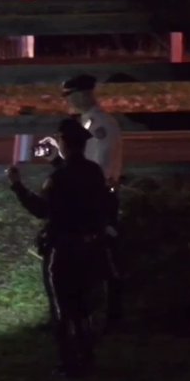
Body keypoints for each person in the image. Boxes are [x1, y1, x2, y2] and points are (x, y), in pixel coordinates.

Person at [9, 117, 115, 378]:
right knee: (85, 305)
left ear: (65, 143)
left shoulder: (59, 178)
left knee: (64, 309)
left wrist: (17, 185)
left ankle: (69, 363)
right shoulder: (93, 171)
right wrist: (55, 161)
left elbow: (41, 209)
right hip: (91, 247)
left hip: (64, 249)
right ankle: (87, 358)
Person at [39, 74, 126, 327]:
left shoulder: (100, 124)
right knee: (94, 258)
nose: (66, 101)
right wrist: (57, 159)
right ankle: (91, 314)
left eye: (68, 96)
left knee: (103, 258)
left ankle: (108, 316)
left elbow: (98, 167)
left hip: (98, 198)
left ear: (81, 94)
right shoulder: (89, 122)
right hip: (92, 196)